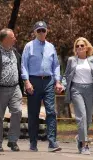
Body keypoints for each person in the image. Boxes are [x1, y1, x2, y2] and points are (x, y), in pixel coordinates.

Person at [21, 21, 63, 152]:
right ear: (34, 32)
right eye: (38, 30)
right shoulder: (29, 46)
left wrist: (57, 81)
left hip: (48, 81)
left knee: (51, 112)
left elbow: (56, 65)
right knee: (33, 113)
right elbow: (24, 65)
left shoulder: (51, 46)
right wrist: (26, 81)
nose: (41, 33)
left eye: (43, 30)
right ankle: (33, 143)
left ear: (46, 31)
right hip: (33, 81)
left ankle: (52, 142)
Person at [62, 37, 93, 155]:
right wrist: (62, 85)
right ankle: (85, 145)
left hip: (90, 90)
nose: (79, 47)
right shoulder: (72, 60)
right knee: (82, 116)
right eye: (77, 46)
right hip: (76, 89)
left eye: (82, 45)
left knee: (88, 118)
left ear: (87, 47)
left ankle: (80, 137)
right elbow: (66, 75)